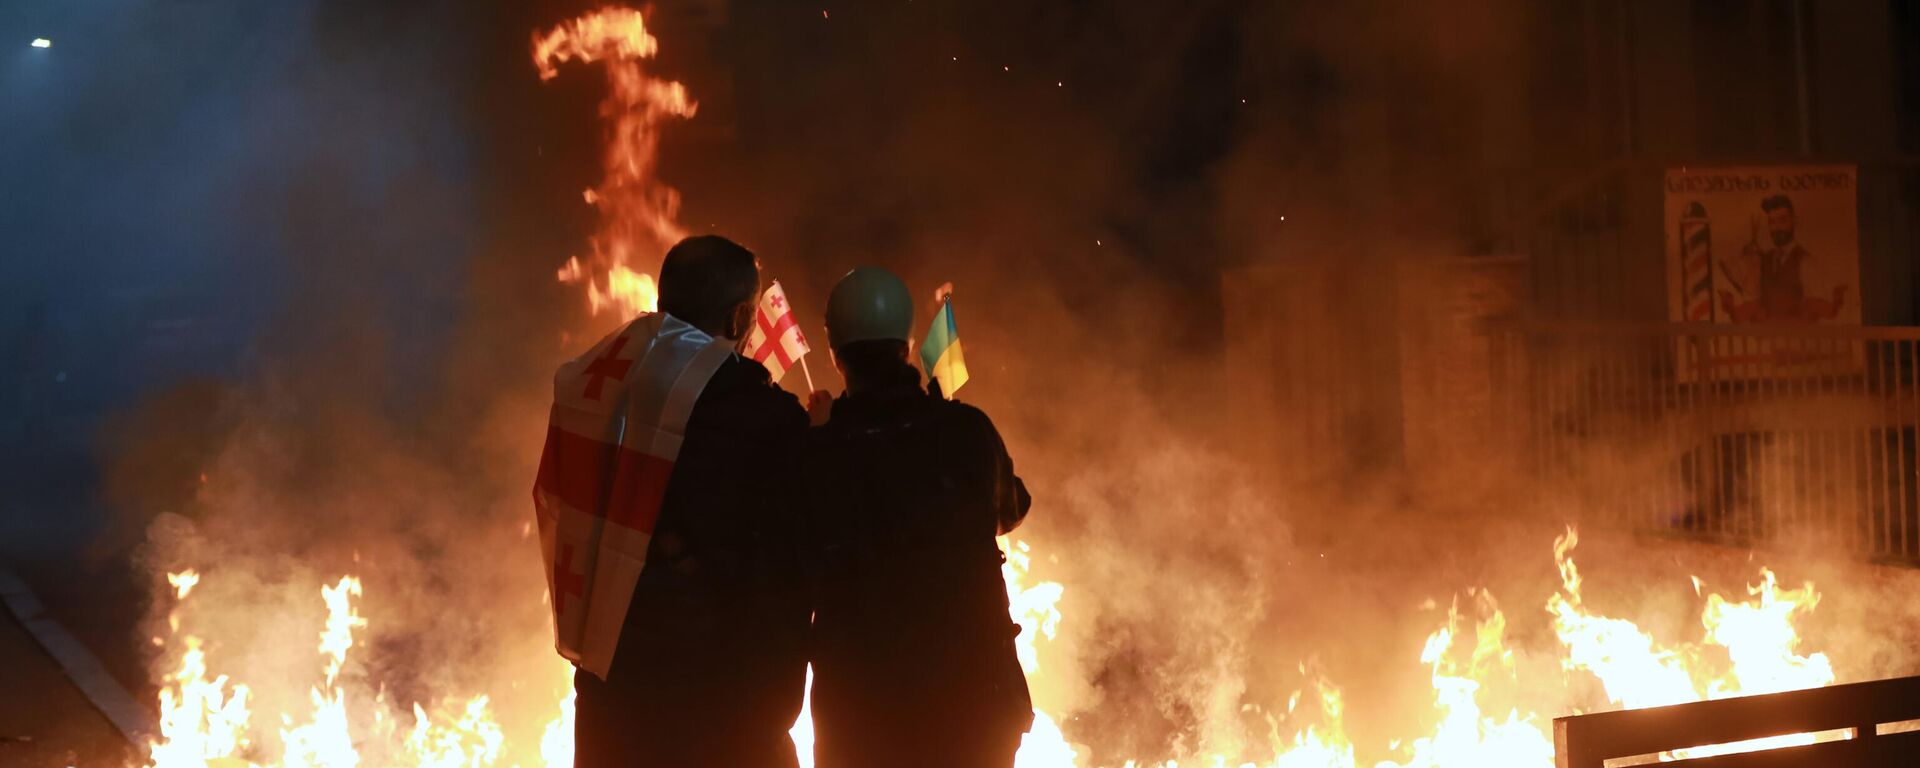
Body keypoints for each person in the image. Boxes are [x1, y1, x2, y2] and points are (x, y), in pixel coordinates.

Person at [534, 235, 810, 768]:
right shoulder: (759, 414)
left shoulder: (594, 382)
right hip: (717, 706)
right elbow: (782, 573)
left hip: (611, 686)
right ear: (738, 319)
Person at [804, 267, 1034, 768]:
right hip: (975, 705)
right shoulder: (967, 430)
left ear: (835, 354)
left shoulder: (818, 451)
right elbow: (1011, 509)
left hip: (861, 713)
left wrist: (818, 436)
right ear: (907, 348)